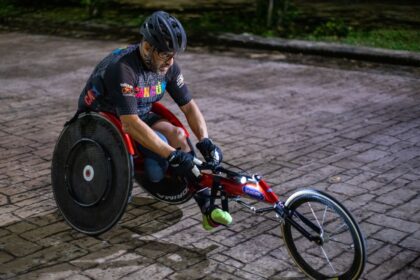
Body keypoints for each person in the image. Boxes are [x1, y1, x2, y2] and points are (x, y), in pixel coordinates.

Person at [77, 10, 232, 231]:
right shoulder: (123, 69)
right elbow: (129, 123)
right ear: (148, 47)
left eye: (174, 55)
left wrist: (205, 140)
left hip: (140, 111)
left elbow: (188, 106)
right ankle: (175, 177)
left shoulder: (168, 66)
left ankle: (206, 206)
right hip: (106, 118)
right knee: (161, 152)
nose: (171, 62)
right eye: (166, 55)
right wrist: (170, 154)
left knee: (178, 135)